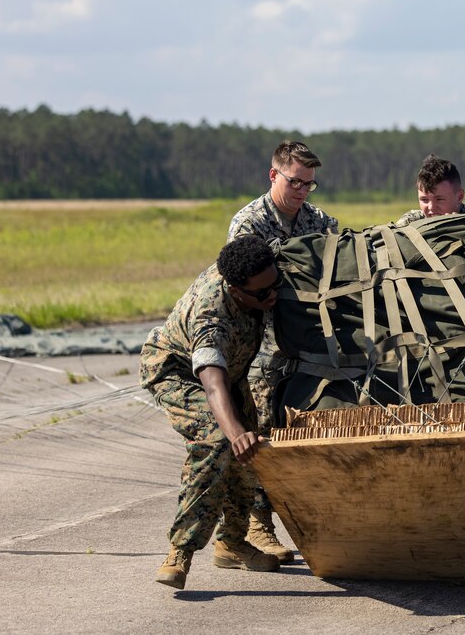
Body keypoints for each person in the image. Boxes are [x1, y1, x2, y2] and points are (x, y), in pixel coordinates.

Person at [140, 235, 284, 590]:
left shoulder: (260, 272)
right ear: (236, 290)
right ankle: (180, 552)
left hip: (230, 372)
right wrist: (235, 433)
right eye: (263, 293)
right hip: (179, 373)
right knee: (219, 440)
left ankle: (232, 544)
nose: (273, 295)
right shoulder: (210, 318)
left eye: (275, 285)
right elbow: (212, 384)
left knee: (252, 450)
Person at [227, 140, 338, 562]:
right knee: (259, 432)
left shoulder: (318, 220)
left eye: (310, 184)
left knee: (301, 428)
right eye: (296, 182)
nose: (303, 192)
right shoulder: (249, 223)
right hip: (261, 345)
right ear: (273, 175)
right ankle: (257, 527)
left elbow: (341, 258)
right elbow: (247, 284)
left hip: (307, 342)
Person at [394, 154, 465, 226]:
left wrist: (460, 226)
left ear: (460, 196)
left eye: (440, 199)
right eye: (424, 200)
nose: (431, 207)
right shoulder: (410, 222)